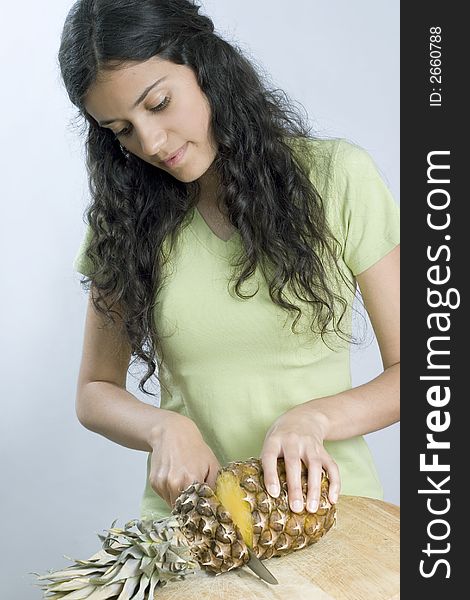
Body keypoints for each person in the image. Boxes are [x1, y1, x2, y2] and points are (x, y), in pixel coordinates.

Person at [59, 0, 400, 522]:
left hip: (329, 510)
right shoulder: (125, 220)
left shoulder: (337, 178)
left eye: (159, 104)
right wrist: (163, 427)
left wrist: (313, 419)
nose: (150, 143)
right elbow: (94, 390)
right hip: (192, 525)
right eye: (120, 129)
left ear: (206, 68)